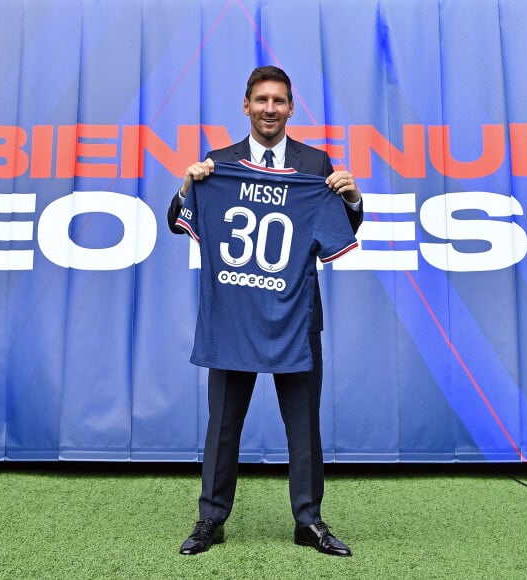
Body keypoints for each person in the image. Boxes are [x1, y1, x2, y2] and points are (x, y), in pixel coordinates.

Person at [167, 65, 363, 557]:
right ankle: (211, 518)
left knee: (304, 424)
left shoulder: (316, 165)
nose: (270, 109)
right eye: (262, 100)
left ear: (291, 108)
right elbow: (177, 222)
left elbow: (340, 229)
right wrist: (187, 186)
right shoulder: (217, 163)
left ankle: (309, 521)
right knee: (222, 424)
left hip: (294, 318)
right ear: (246, 105)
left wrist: (354, 200)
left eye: (279, 101)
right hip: (233, 317)